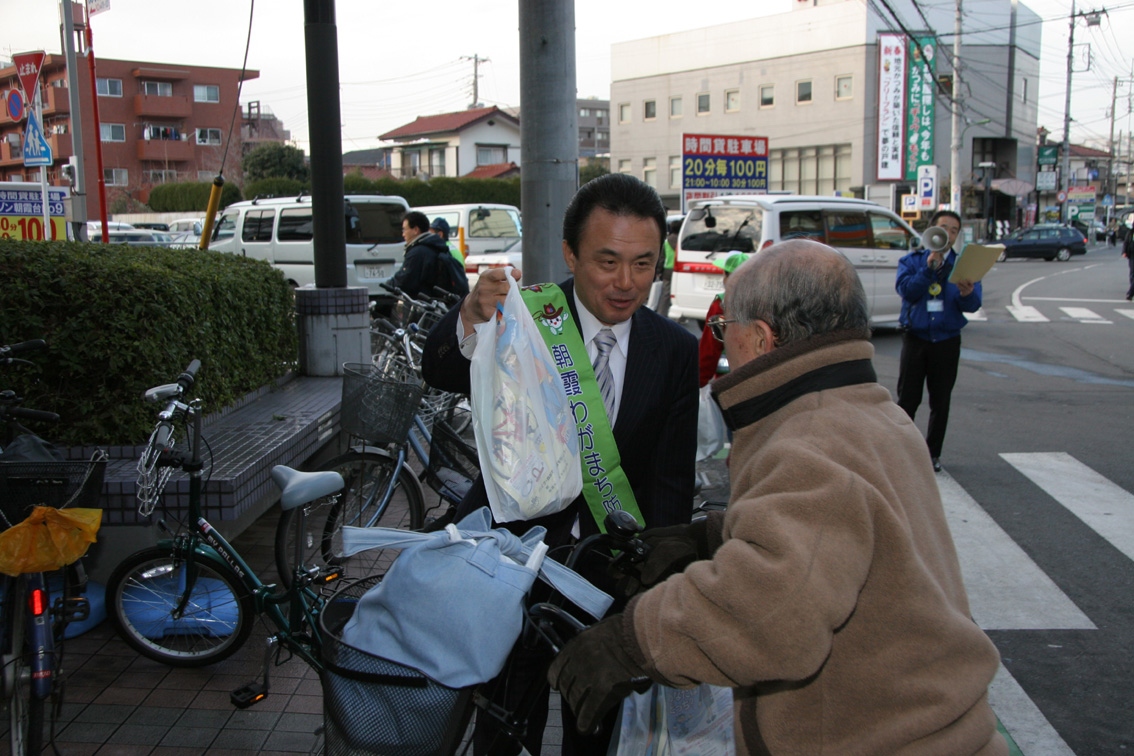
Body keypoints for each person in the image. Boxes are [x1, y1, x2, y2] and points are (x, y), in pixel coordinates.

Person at [547, 240, 1007, 756]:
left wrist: (631, 642)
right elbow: (841, 535)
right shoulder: (869, 411)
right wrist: (711, 538)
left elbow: (772, 616)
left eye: (725, 329)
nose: (723, 344)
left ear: (762, 340)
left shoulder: (811, 439)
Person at [421, 172, 699, 755]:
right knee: (501, 719)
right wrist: (471, 312)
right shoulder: (527, 320)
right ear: (570, 254)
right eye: (607, 262)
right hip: (512, 562)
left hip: (606, 573)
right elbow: (440, 370)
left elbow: (669, 479)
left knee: (592, 730)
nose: (626, 283)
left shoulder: (674, 349)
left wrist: (657, 589)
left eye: (644, 264)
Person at [894, 209, 981, 472]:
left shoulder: (964, 265)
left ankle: (932, 454)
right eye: (944, 228)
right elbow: (906, 291)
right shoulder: (913, 261)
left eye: (954, 230)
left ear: (957, 236)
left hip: (946, 341)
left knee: (940, 401)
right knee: (907, 399)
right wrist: (928, 269)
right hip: (916, 338)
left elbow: (974, 304)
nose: (949, 233)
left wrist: (967, 293)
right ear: (932, 230)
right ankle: (901, 454)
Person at [698, 251, 748, 387]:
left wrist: (699, 381)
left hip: (726, 380)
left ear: (727, 276)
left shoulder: (720, 304)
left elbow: (709, 349)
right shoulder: (763, 301)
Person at [388, 210, 465, 298]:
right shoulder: (438, 247)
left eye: (405, 229)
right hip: (438, 302)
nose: (403, 234)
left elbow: (405, 281)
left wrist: (390, 284)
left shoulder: (417, 253)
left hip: (423, 304)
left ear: (415, 230)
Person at [1124, 228, 1134, 301]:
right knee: (1132, 273)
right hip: (1132, 255)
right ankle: (1131, 290)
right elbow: (1126, 242)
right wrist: (1124, 252)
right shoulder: (1131, 232)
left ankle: (1131, 293)